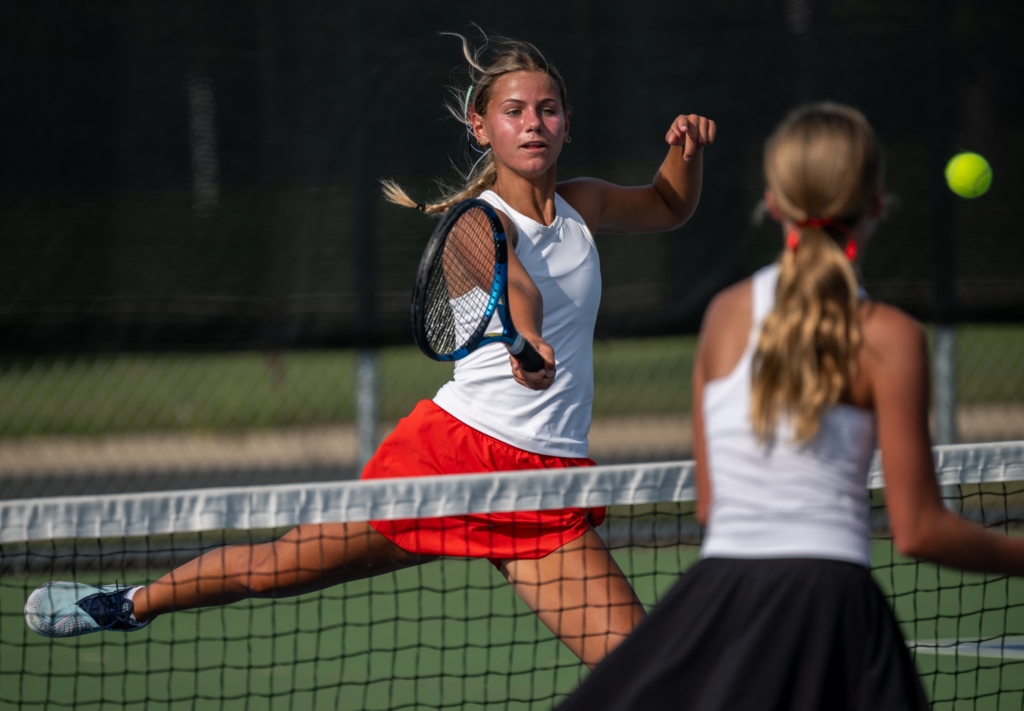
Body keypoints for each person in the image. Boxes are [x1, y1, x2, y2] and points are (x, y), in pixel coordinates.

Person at [24, 32, 716, 669]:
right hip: (449, 460)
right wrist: (528, 340)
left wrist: (685, 152)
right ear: (481, 126)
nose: (533, 122)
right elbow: (517, 289)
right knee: (274, 568)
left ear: (567, 122)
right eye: (514, 111)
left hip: (544, 481)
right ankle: (127, 603)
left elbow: (667, 205)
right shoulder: (475, 224)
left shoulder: (582, 205)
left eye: (548, 109)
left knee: (647, 674)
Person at [556, 102, 1024, 709]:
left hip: (719, 598)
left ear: (774, 205)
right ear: (876, 205)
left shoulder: (723, 317)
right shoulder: (892, 337)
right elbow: (919, 530)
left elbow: (711, 506)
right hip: (834, 608)